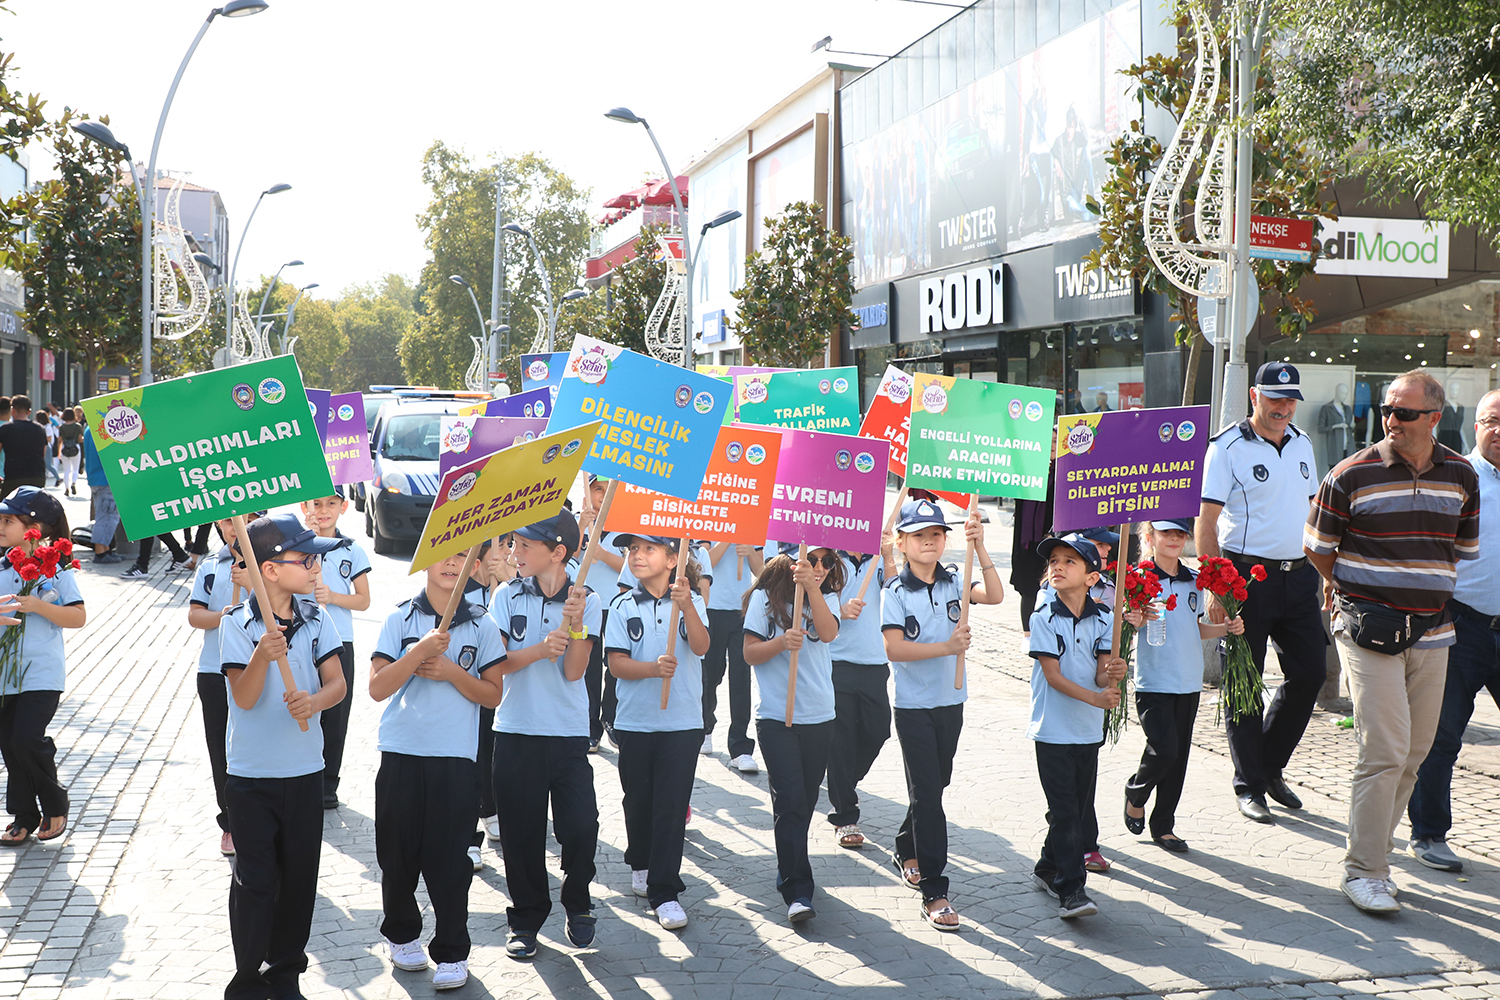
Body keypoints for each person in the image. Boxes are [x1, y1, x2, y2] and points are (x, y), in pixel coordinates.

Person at [1304, 371, 1480, 914]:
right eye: (1387, 409)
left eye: (1404, 412)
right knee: (1383, 750)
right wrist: (1353, 592)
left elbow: (1462, 550)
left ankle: (1375, 849)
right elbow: (1317, 547)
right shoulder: (1350, 474)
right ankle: (1365, 871)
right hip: (1368, 630)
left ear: (1434, 417)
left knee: (1415, 753)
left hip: (1434, 631)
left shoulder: (1462, 476)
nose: (1391, 420)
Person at [216, 513, 347, 1000]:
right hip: (252, 776)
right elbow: (244, 698)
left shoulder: (318, 618)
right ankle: (248, 978)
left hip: (304, 772)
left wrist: (314, 701)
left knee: (298, 880)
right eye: (305, 559)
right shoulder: (237, 624)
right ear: (270, 569)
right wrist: (261, 656)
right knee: (256, 882)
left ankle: (286, 971)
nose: (316, 567)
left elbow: (338, 683)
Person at [369, 550, 506, 990]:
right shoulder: (401, 619)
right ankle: (402, 934)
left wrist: (449, 671)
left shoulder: (483, 624)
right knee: (397, 854)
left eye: (463, 556)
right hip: (402, 752)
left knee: (450, 860)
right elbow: (377, 687)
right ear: (424, 560)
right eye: (443, 554)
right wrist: (420, 653)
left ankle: (452, 951)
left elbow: (492, 695)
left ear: (476, 565)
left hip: (454, 757)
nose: (452, 564)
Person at [1197, 361, 1327, 824]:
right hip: (1246, 581)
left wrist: (1326, 573)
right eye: (1274, 398)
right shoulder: (1226, 447)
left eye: (1290, 399)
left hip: (1299, 578)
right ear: (1254, 396)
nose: (1283, 407)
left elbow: (1313, 511)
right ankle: (1248, 784)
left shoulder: (1303, 443)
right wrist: (1216, 586)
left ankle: (1269, 767)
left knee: (1310, 674)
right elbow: (1206, 523)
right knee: (1244, 685)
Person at [881, 499, 1003, 931]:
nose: (929, 541)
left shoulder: (956, 581)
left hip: (951, 702)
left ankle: (904, 844)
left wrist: (981, 547)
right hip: (913, 706)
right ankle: (935, 889)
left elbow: (995, 594)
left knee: (936, 784)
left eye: (936, 534)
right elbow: (894, 648)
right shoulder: (892, 592)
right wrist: (946, 648)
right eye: (919, 536)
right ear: (903, 542)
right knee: (929, 795)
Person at [486, 511, 601, 959]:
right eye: (513, 543)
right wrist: (538, 649)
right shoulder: (505, 596)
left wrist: (573, 628)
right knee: (520, 834)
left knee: (580, 826)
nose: (514, 553)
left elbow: (575, 671)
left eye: (524, 545)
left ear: (558, 552)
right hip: (515, 730)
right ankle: (526, 919)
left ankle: (578, 901)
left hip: (568, 733)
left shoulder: (587, 599)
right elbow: (495, 665)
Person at [1407, 389, 1500, 873]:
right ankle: (1428, 833)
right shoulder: (1455, 478)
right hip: (1461, 623)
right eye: (1492, 420)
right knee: (1440, 735)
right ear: (1475, 425)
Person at [604, 535, 709, 931]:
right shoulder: (621, 604)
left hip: (682, 723)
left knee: (670, 807)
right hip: (635, 721)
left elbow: (701, 646)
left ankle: (665, 891)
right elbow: (616, 665)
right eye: (632, 550)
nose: (637, 556)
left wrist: (685, 606)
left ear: (672, 558)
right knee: (639, 800)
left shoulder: (693, 601)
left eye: (648, 549)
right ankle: (641, 862)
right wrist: (652, 669)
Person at [1122, 519, 1243, 853]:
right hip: (1154, 681)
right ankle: (1136, 790)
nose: (1174, 539)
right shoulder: (1139, 580)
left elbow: (1195, 629)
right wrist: (1132, 618)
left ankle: (1164, 825)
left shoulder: (1194, 580)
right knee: (1164, 749)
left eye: (1179, 534)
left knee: (1179, 758)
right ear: (1150, 537)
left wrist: (1227, 629)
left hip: (1188, 682)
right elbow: (1125, 627)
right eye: (1165, 533)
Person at [1026, 534, 1127, 919]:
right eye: (1054, 560)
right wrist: (1096, 698)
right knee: (1067, 810)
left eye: (1070, 561)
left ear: (1091, 576)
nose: (1058, 566)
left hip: (1087, 730)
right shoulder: (1042, 617)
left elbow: (1102, 675)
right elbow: (1052, 676)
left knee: (1073, 808)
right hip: (1051, 729)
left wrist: (1112, 672)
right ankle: (1072, 890)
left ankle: (1048, 867)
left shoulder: (1105, 618)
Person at [742, 542, 843, 924]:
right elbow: (750, 653)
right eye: (811, 559)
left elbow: (830, 633)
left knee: (804, 801)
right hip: (775, 718)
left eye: (825, 561)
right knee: (789, 802)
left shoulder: (827, 596)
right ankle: (797, 889)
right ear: (788, 557)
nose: (818, 566)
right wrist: (780, 642)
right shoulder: (765, 599)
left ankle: (796, 868)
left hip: (819, 717)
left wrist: (814, 588)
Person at [0, 488, 84, 847]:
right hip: (4, 674)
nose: (0, 526)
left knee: (26, 738)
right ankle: (23, 815)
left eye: (8, 521)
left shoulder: (58, 569)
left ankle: (54, 801)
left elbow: (77, 616)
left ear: (36, 528)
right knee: (8, 743)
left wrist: (36, 605)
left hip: (42, 672)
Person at [185, 513, 261, 857]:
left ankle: (263, 817)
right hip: (214, 670)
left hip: (261, 672)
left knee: (258, 745)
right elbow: (195, 615)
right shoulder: (212, 566)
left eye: (247, 519)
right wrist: (225, 614)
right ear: (218, 525)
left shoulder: (272, 565)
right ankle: (231, 822)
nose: (237, 526)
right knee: (222, 748)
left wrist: (252, 584)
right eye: (229, 521)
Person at [824, 534, 897, 851]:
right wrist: (839, 610)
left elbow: (898, 595)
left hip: (874, 660)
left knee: (878, 730)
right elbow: (814, 603)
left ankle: (843, 781)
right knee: (839, 740)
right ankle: (844, 815)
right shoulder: (829, 559)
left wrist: (889, 555)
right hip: (836, 660)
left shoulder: (879, 559)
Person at [301, 487, 372, 810]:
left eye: (331, 503)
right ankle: (304, 777)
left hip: (340, 640)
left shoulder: (351, 549)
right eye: (317, 502)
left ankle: (329, 783)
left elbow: (364, 599)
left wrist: (332, 597)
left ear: (344, 507)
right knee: (306, 706)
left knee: (336, 714)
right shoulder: (294, 547)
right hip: (303, 639)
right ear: (305, 505)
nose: (323, 509)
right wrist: (307, 545)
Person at [702, 537, 763, 770]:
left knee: (740, 679)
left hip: (742, 611)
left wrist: (749, 551)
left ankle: (740, 747)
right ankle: (705, 727)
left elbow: (762, 572)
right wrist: (726, 539)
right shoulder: (709, 521)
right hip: (712, 609)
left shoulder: (752, 528)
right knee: (710, 674)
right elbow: (705, 563)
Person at [576, 474, 627, 752]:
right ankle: (590, 727)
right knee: (589, 667)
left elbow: (633, 568)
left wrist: (603, 554)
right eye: (598, 490)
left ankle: (611, 719)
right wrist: (583, 527)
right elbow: (565, 556)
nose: (603, 495)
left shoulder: (627, 527)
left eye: (610, 490)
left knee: (615, 665)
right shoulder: (577, 521)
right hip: (586, 607)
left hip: (617, 605)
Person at [0, 396, 50, 499]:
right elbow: (43, 453)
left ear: (12, 410)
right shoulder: (40, 429)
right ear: (29, 411)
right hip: (38, 476)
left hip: (14, 476)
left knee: (6, 508)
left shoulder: (5, 428)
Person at [56, 409, 85, 497]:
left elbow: (60, 440)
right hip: (75, 447)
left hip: (64, 448)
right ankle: (73, 483)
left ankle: (66, 488)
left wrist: (58, 452)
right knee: (75, 469)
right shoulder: (77, 426)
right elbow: (80, 439)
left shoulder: (61, 427)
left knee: (66, 470)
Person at [35, 411, 57, 487]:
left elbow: (49, 438)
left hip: (47, 447)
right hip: (40, 446)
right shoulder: (39, 426)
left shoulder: (48, 427)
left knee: (48, 464)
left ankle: (58, 478)